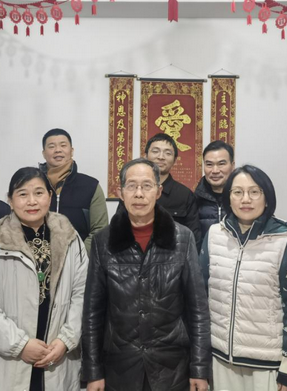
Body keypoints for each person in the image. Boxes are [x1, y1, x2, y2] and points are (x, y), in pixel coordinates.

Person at [82, 158, 210, 391]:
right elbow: (93, 313)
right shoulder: (103, 241)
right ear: (121, 193)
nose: (139, 194)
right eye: (131, 186)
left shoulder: (182, 238)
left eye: (147, 186)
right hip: (119, 368)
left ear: (158, 192)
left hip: (172, 368)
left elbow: (198, 310)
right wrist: (93, 372)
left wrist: (199, 369)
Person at [0, 167, 88, 391]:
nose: (32, 201)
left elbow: (82, 295)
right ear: (10, 200)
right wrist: (20, 345)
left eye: (39, 193)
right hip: (6, 361)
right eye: (22, 194)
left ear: (49, 197)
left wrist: (66, 340)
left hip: (58, 357)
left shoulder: (71, 240)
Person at [200, 164, 287, 391]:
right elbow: (200, 297)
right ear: (229, 198)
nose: (245, 199)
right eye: (237, 192)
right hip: (220, 360)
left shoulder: (285, 238)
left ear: (267, 198)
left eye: (254, 192)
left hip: (267, 365)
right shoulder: (215, 235)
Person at [39, 128, 108, 251]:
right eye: (51, 146)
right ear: (44, 153)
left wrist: (79, 257)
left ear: (71, 151)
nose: (58, 150)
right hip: (38, 259)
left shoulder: (90, 186)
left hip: (81, 260)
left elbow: (100, 230)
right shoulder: (34, 185)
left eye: (63, 145)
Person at [144, 133, 201, 248]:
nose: (161, 157)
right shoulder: (133, 191)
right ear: (145, 156)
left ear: (175, 160)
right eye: (155, 151)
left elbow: (194, 239)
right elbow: (119, 230)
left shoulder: (185, 195)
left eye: (167, 153)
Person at [194, 140, 235, 248]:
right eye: (209, 164)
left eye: (221, 164)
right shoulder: (193, 199)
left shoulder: (243, 199)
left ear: (232, 165)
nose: (215, 170)